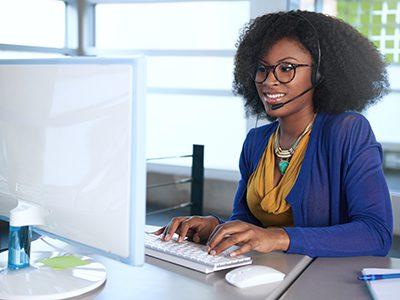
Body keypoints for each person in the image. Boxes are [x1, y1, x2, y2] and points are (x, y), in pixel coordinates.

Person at [154, 10, 393, 257]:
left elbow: (376, 233)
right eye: (262, 69)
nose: (269, 81)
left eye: (287, 68)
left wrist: (278, 237)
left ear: (320, 74)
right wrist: (217, 227)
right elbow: (247, 223)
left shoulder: (348, 131)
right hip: (266, 281)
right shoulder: (256, 142)